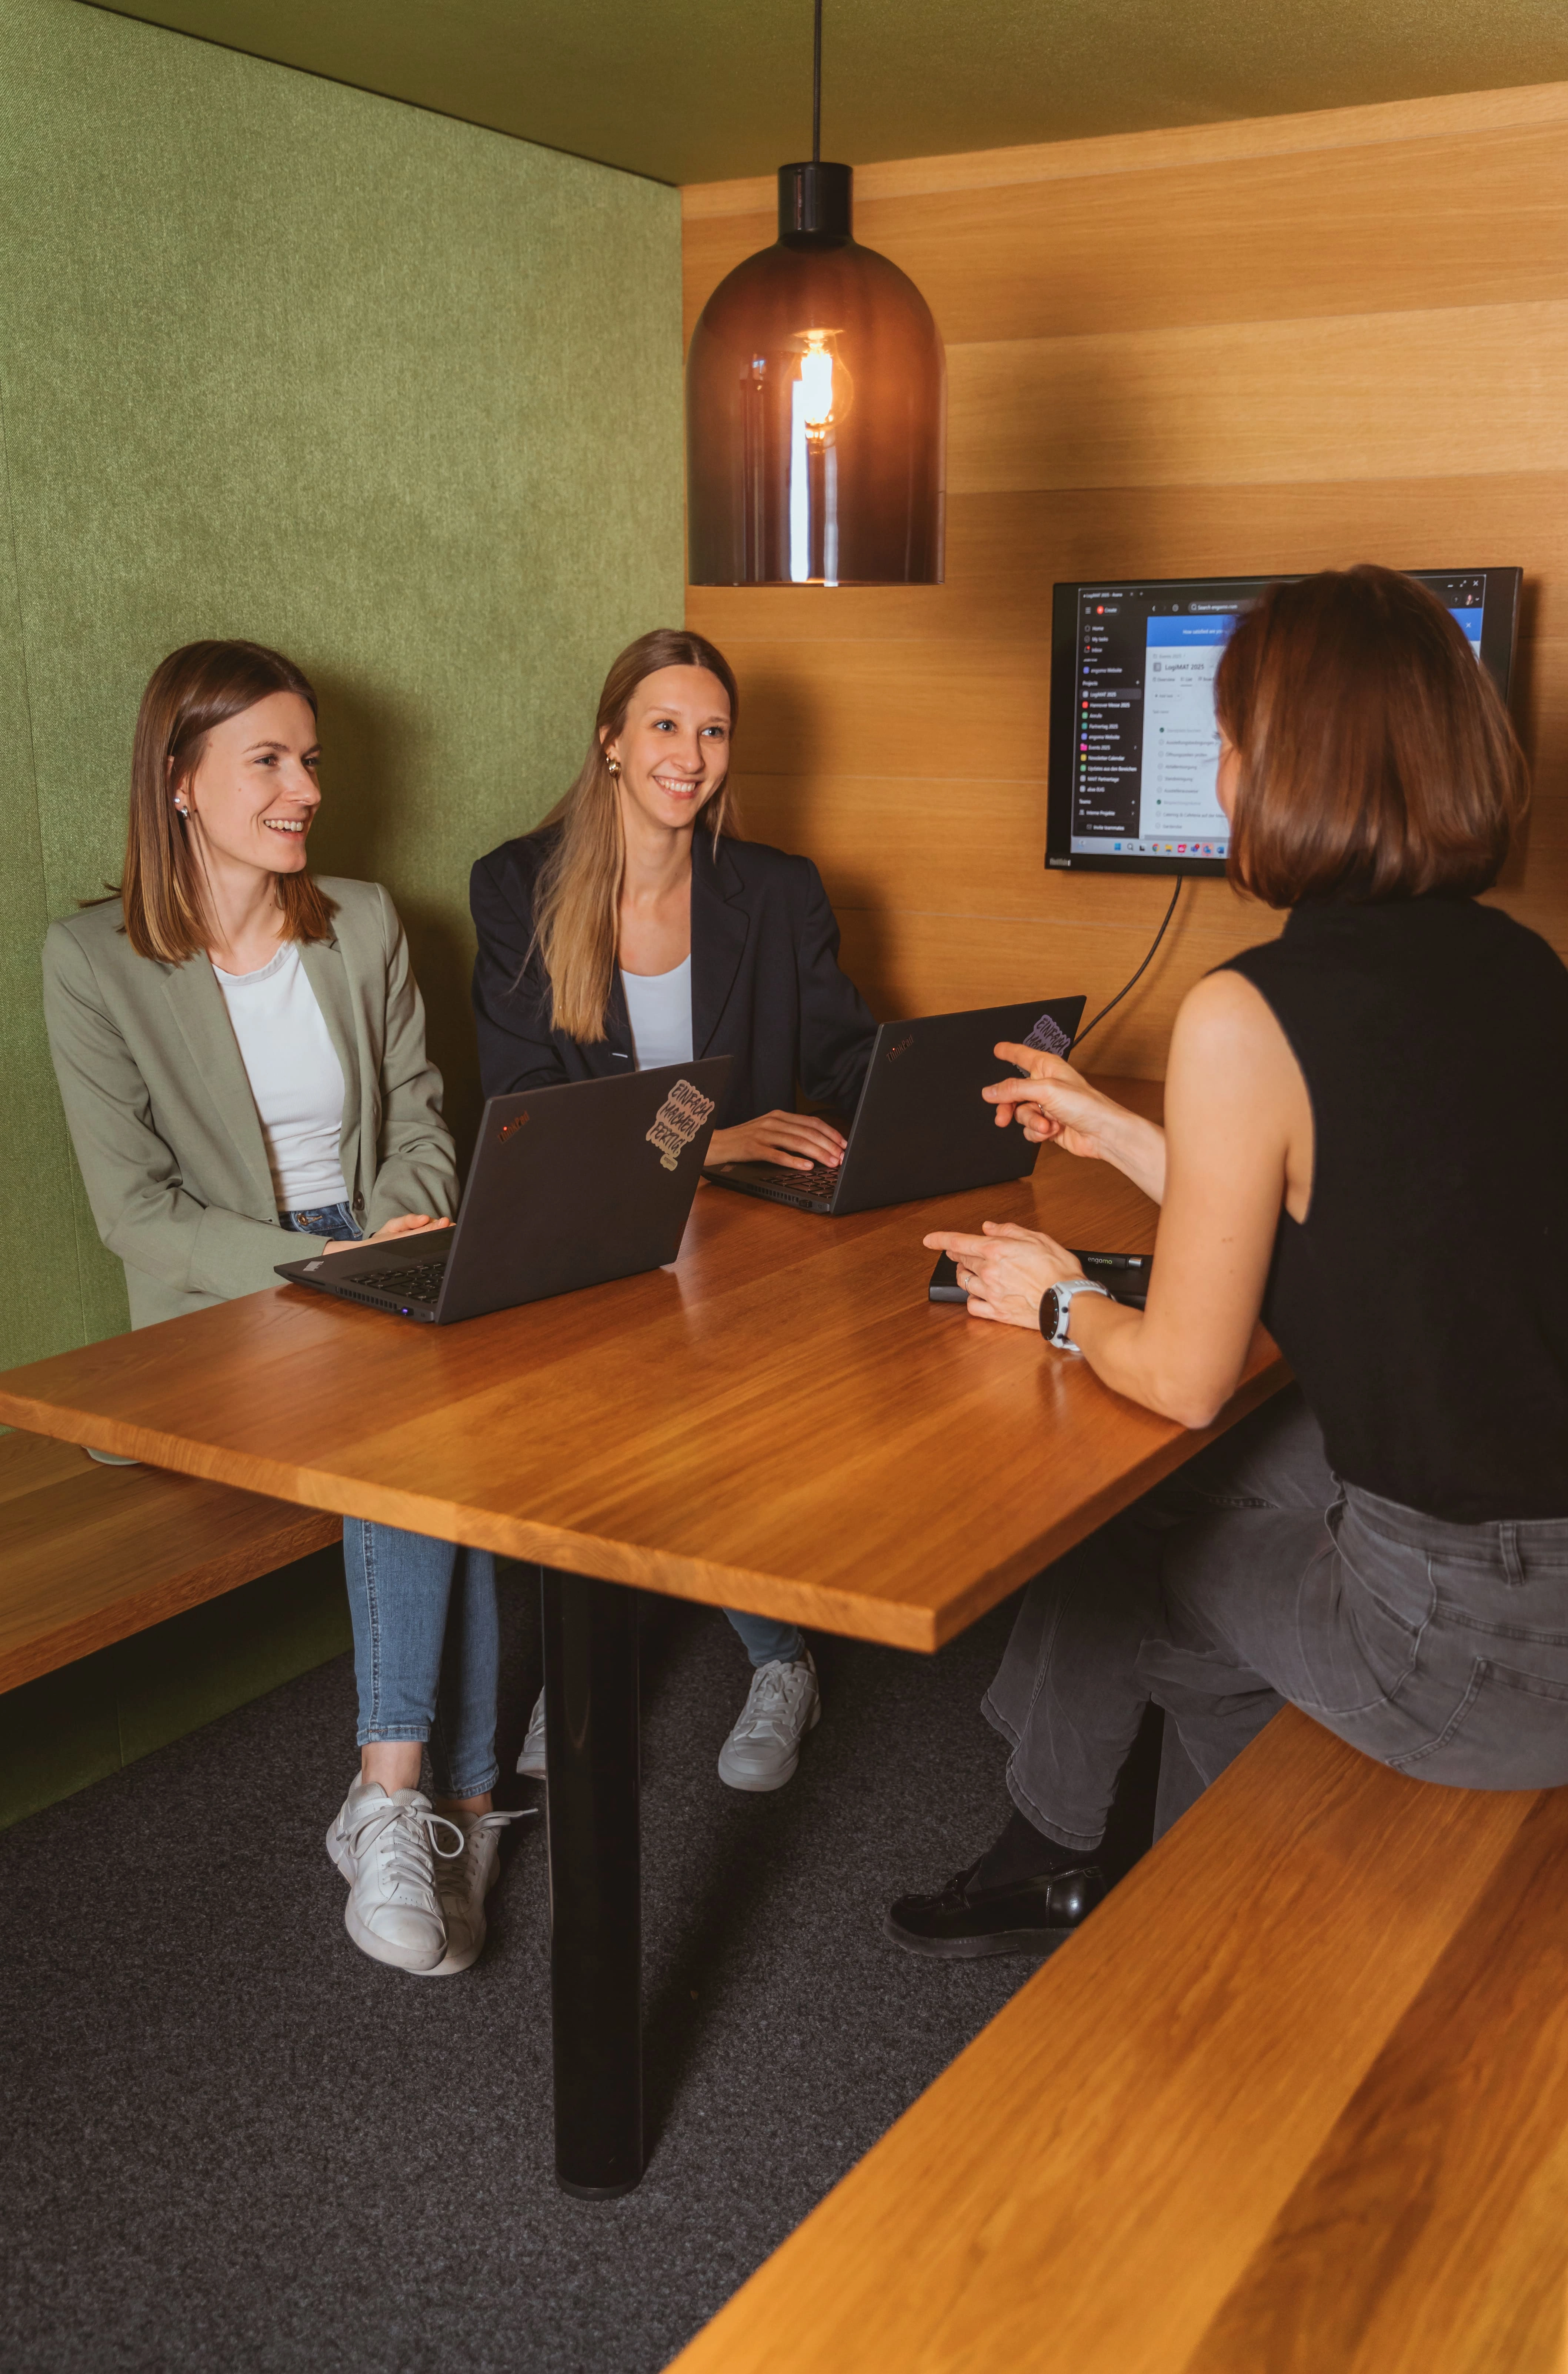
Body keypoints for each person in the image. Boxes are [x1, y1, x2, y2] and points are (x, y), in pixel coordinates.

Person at [888, 564, 1568, 1959]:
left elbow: (1186, 1377)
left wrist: (1058, 1299)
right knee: (1184, 1533)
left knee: (1117, 1545)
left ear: (1286, 766)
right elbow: (1374, 1194)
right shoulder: (1520, 969)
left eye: (1231, 737)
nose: (1224, 768)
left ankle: (1120, 1878)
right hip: (1538, 1553)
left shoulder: (1250, 1010)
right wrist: (1129, 1132)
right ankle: (1140, 1862)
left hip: (1473, 1648)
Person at [43, 640, 525, 1981]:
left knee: (447, 1420)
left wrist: (392, 1229)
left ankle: (421, 1803)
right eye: (268, 759)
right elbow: (136, 1214)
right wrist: (320, 1277)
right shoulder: (91, 961)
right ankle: (437, 1799)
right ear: (180, 780)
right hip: (223, 1303)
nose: (304, 787)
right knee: (421, 1427)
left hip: (375, 1259)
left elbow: (424, 1122)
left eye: (310, 759)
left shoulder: (361, 921)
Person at [470, 626, 877, 1790]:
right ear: (610, 742)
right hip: (587, 1236)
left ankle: (776, 1656)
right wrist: (708, 1142)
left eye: (711, 731)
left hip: (745, 1236)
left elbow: (850, 1056)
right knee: (604, 1396)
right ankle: (670, 1660)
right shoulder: (516, 887)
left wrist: (967, 1097)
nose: (689, 755)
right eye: (664, 725)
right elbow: (533, 1108)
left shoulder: (778, 891)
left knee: (713, 1380)